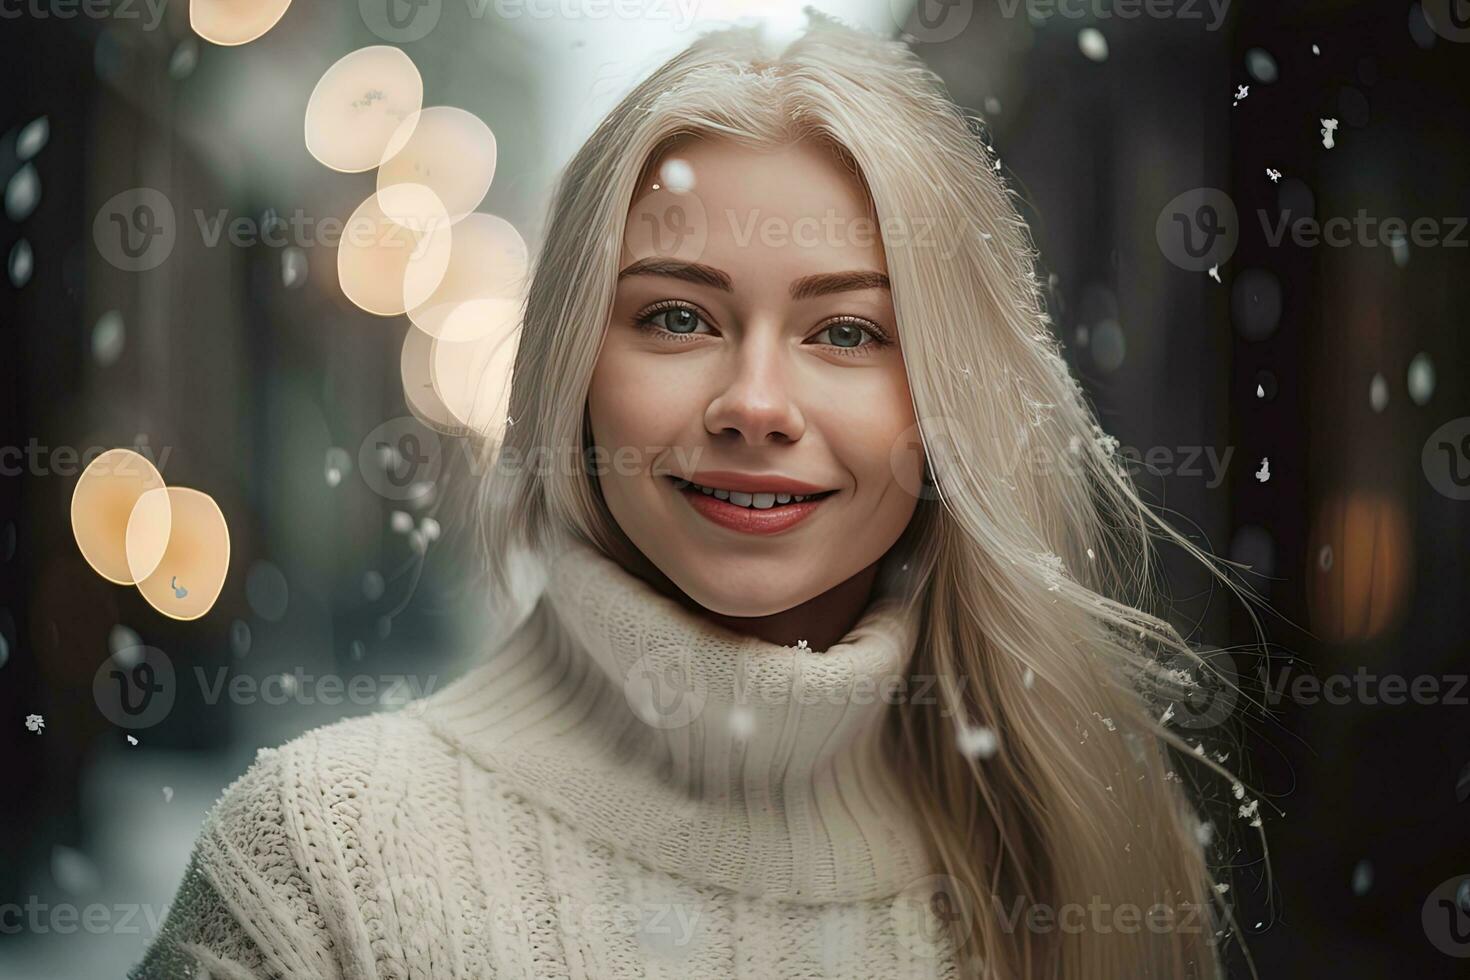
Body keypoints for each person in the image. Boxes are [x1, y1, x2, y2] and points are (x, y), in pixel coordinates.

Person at [133, 12, 1257, 979]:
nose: (755, 403)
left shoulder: (1093, 849)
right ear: (572, 369)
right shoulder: (321, 864)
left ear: (947, 404)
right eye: (678, 315)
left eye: (849, 330)